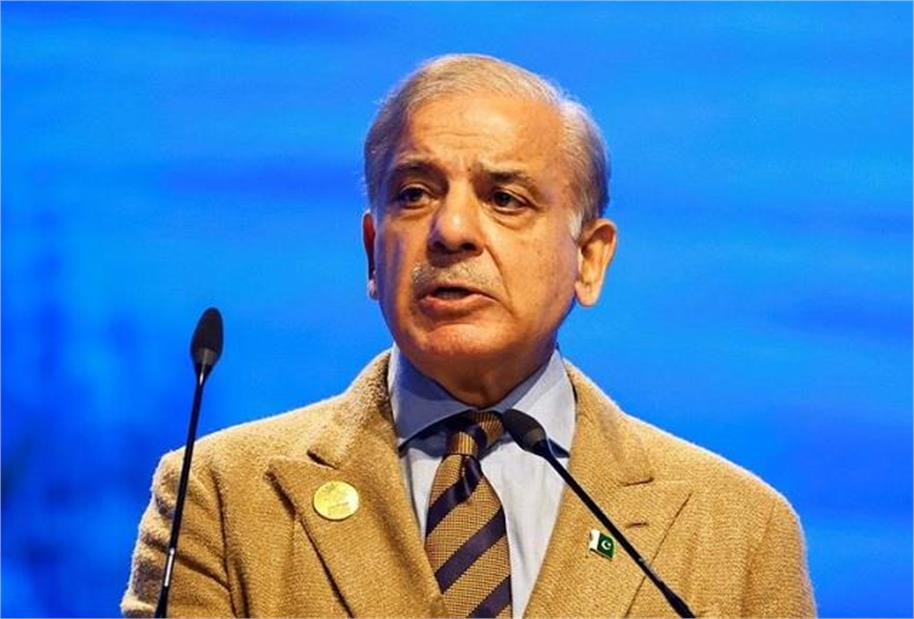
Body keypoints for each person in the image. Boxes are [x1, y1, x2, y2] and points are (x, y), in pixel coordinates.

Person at [122, 54, 816, 618]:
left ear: (589, 258)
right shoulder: (221, 497)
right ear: (373, 252)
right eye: (414, 194)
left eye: (504, 199)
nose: (450, 230)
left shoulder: (738, 529)